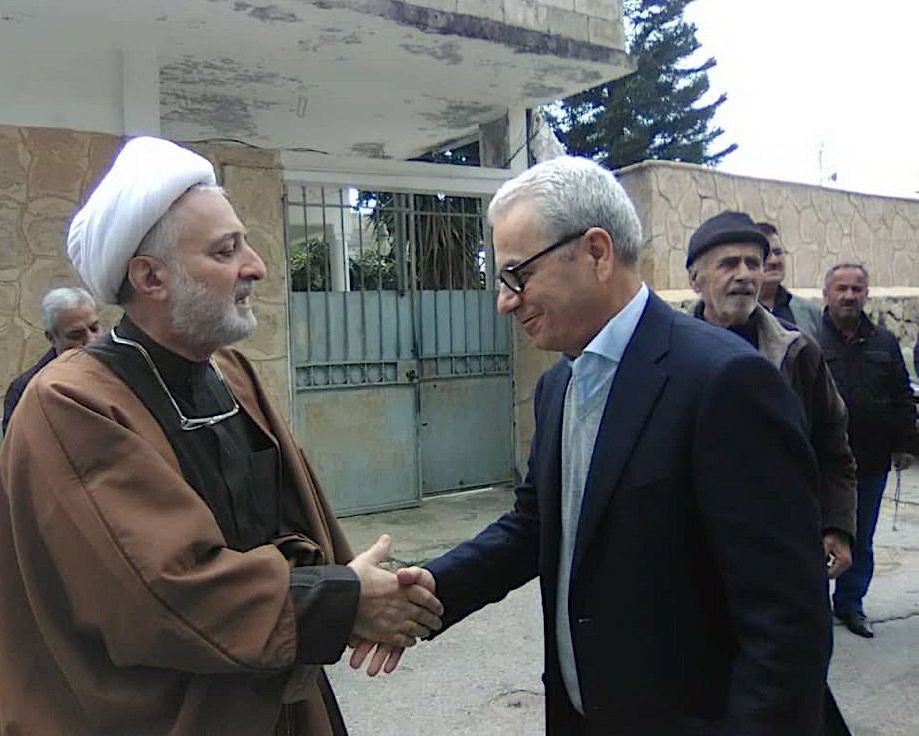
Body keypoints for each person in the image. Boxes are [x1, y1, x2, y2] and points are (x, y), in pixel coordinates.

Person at [355, 157, 832, 734]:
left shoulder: (725, 381)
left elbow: (787, 622)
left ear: (597, 253)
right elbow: (536, 525)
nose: (505, 300)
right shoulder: (559, 384)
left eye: (516, 275)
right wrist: (433, 589)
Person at [0, 136, 442, 736]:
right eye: (226, 250)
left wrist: (370, 591)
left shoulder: (229, 372)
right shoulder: (69, 404)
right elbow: (162, 595)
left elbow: (286, 525)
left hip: (270, 700)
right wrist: (343, 600)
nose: (256, 266)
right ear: (151, 276)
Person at [686, 211, 857, 577]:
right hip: (693, 552)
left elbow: (834, 449)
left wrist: (838, 526)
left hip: (782, 545)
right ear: (695, 279)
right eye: (729, 264)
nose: (744, 275)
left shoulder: (797, 351)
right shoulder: (668, 355)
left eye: (753, 264)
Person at [819, 263, 919, 638]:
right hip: (820, 462)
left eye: (856, 289)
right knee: (813, 535)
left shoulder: (885, 342)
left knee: (860, 537)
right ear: (826, 294)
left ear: (866, 294)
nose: (849, 296)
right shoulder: (809, 338)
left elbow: (902, 396)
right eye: (841, 288)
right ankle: (812, 607)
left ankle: (850, 604)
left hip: (871, 460)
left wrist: (905, 444)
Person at [1, 286, 101, 432]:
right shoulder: (25, 390)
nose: (91, 341)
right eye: (76, 335)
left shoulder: (120, 368)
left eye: (94, 329)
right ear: (52, 338)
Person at [756, 221, 824, 339]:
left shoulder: (810, 313)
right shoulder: (736, 312)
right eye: (765, 254)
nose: (774, 261)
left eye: (778, 253)